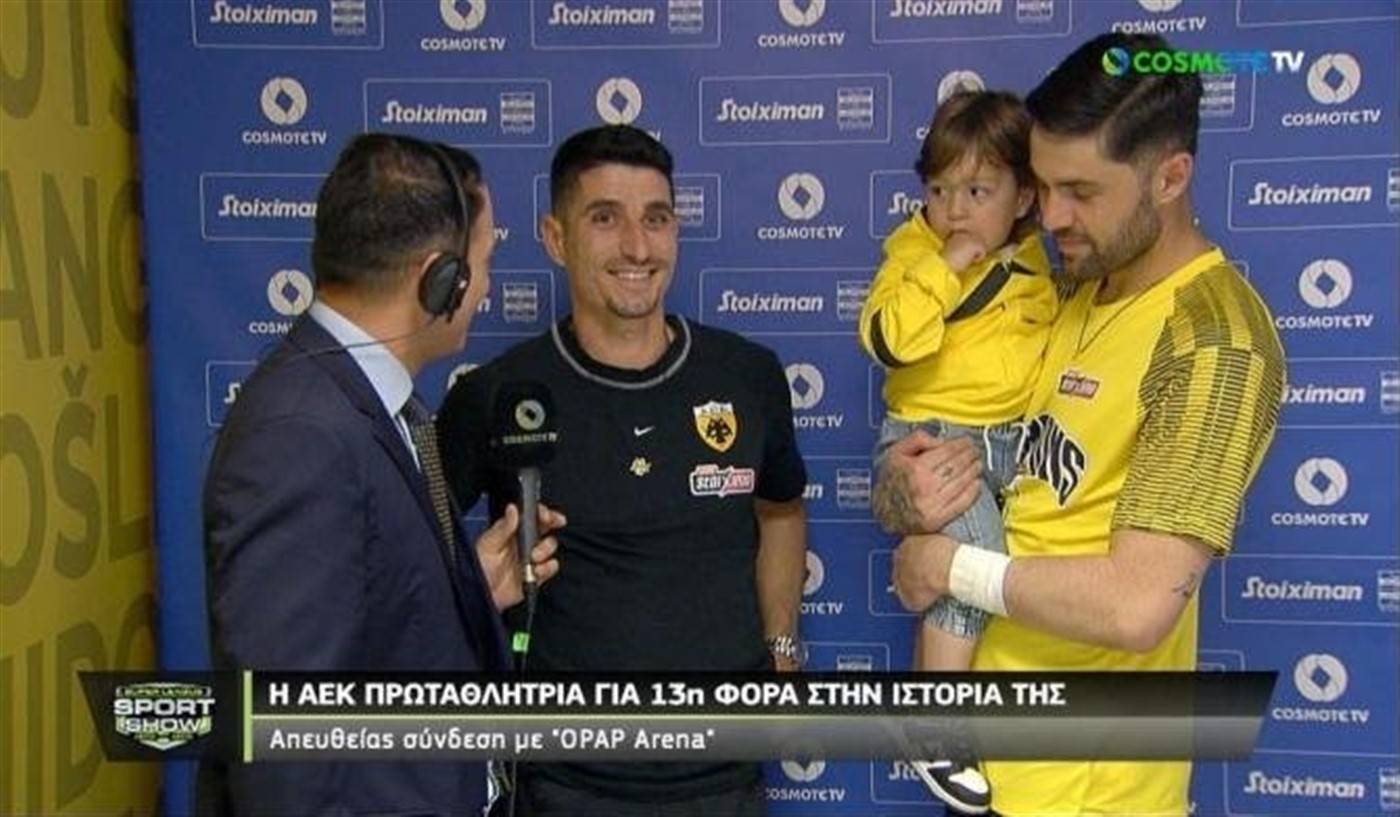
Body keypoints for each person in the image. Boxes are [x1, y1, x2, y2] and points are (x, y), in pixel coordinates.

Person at [878, 32, 1285, 817]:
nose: (1052, 216)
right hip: (992, 768)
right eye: (1042, 186)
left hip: (1098, 792)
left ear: (1170, 177)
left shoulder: (1214, 340)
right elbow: (982, 486)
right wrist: (906, 491)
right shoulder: (1065, 289)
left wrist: (949, 568)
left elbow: (1137, 605)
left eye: (1082, 192)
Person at [437, 124, 808, 817]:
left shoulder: (747, 374)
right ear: (555, 238)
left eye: (656, 219)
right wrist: (471, 586)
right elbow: (410, 553)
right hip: (562, 784)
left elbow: (780, 507)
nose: (638, 247)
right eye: (605, 219)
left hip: (725, 780)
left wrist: (781, 647)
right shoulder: (497, 394)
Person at [198, 134, 561, 817]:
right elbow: (283, 750)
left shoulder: (375, 405)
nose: (485, 287)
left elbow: (362, 621)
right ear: (440, 280)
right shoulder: (300, 437)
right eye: (484, 263)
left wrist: (464, 589)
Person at [858, 89, 1054, 815]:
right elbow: (889, 340)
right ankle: (936, 725)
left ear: (1024, 196)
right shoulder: (913, 253)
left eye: (978, 191)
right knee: (971, 568)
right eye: (940, 190)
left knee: (969, 581)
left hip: (1011, 446)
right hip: (937, 439)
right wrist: (946, 267)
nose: (955, 210)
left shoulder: (1037, 264)